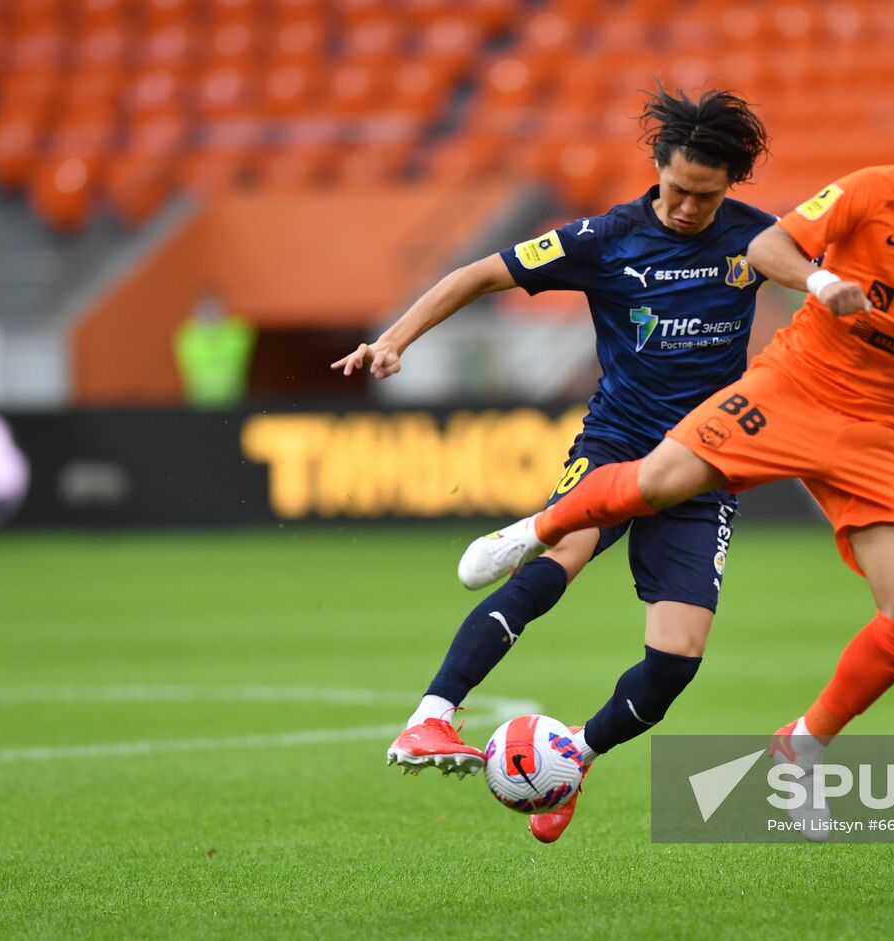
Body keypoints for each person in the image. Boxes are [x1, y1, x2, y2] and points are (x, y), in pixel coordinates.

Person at [458, 105, 894, 840]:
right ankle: (536, 528)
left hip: (873, 434)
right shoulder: (873, 190)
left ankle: (803, 744)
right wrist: (820, 284)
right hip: (792, 388)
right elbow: (768, 245)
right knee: (657, 482)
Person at [333, 85, 778, 843]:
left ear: (732, 184)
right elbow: (476, 274)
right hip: (617, 445)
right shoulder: (607, 237)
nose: (685, 208)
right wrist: (396, 338)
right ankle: (431, 715)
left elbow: (859, 288)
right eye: (675, 189)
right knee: (554, 559)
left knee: (675, 665)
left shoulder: (761, 238)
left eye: (704, 197)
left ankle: (574, 753)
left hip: (705, 470)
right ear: (658, 168)